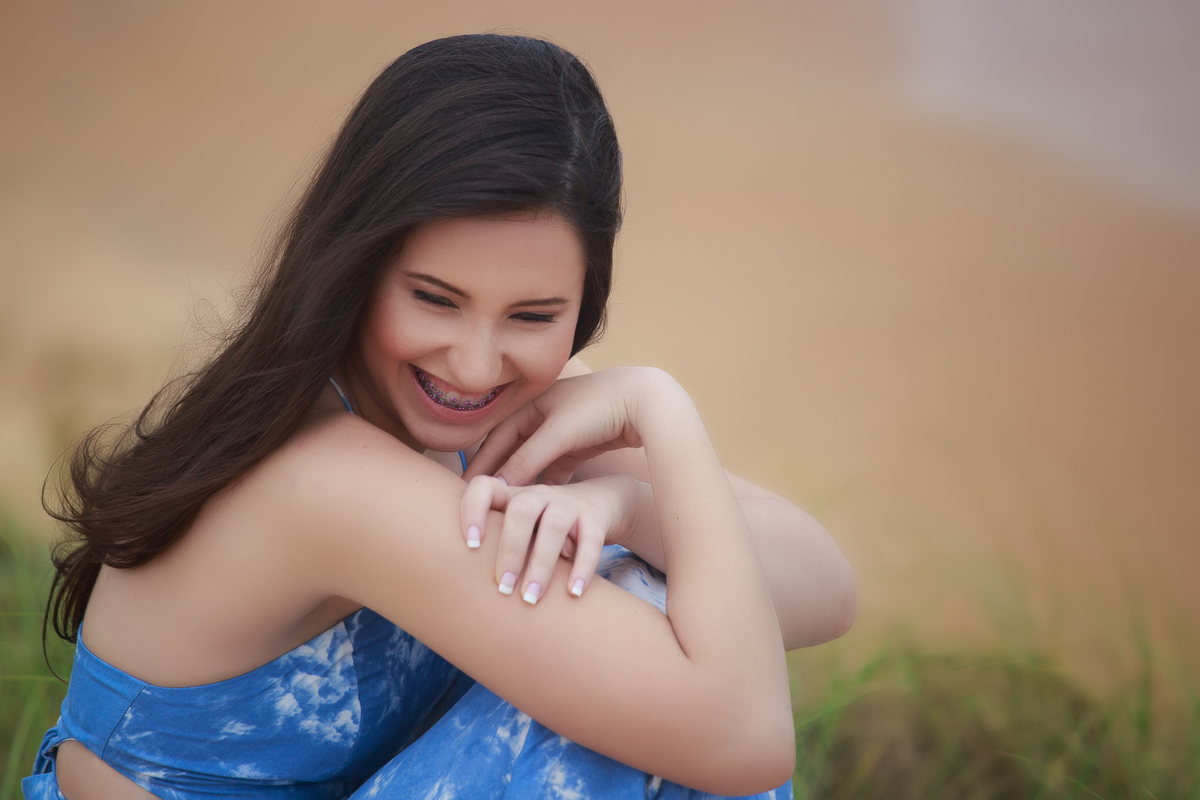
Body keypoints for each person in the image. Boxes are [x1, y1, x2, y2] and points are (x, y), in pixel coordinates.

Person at [25, 34, 855, 800]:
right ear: (356, 264)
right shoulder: (326, 479)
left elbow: (826, 584)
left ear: (583, 304)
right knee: (649, 650)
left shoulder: (470, 407)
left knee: (644, 582)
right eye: (434, 299)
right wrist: (662, 415)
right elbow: (744, 738)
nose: (473, 364)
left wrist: (628, 504)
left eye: (532, 316)